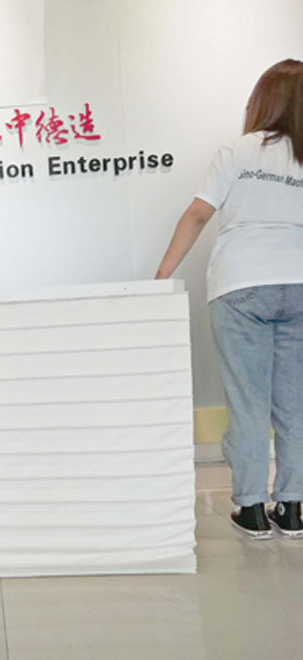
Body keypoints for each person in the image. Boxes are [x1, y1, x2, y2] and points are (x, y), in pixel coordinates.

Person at [156, 59, 303, 540]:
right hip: (299, 283)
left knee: (247, 400)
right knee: (295, 403)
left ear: (263, 101)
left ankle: (251, 507)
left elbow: (198, 214)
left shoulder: (238, 151)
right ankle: (293, 507)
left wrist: (163, 274)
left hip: (242, 284)